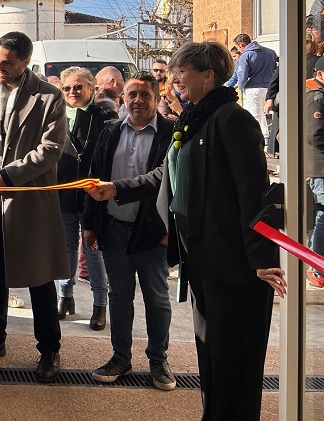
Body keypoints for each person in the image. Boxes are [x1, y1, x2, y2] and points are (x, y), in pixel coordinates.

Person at [87, 41, 285, 420]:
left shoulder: (232, 118)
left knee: (235, 359)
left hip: (235, 264)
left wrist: (262, 259)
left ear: (208, 75)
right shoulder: (197, 119)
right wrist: (116, 188)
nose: (174, 78)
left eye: (182, 71)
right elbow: (166, 175)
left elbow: (253, 192)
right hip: (204, 258)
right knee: (212, 354)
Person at [0, 32, 68, 383]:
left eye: (7, 62)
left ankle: (49, 350)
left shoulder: (49, 97)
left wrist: (10, 174)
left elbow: (51, 148)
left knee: (39, 278)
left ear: (25, 61)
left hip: (28, 200)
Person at [83, 72, 176, 391]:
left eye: (144, 95)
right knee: (119, 296)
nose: (137, 100)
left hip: (151, 232)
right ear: (123, 97)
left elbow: (169, 184)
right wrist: (90, 224)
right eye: (132, 94)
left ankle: (158, 359)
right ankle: (120, 357)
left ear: (156, 97)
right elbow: (94, 178)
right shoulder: (109, 132)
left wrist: (169, 230)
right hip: (113, 230)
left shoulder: (171, 134)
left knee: (157, 297)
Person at [55, 66, 114, 331]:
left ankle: (100, 304)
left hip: (93, 193)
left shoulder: (104, 115)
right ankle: (65, 297)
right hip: (63, 191)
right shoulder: (56, 115)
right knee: (65, 250)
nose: (72, 92)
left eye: (78, 87)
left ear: (92, 89)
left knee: (93, 252)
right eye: (67, 87)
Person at [233, 33, 277, 143]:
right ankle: (267, 138)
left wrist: (241, 87)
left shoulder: (246, 56)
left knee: (254, 116)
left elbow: (242, 75)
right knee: (268, 115)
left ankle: (258, 140)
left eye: (238, 48)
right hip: (269, 88)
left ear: (242, 45)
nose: (239, 50)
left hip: (253, 89)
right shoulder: (270, 52)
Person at [305, 56, 324, 288]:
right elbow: (314, 134)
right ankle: (317, 267)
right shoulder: (317, 97)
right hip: (320, 168)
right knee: (322, 216)